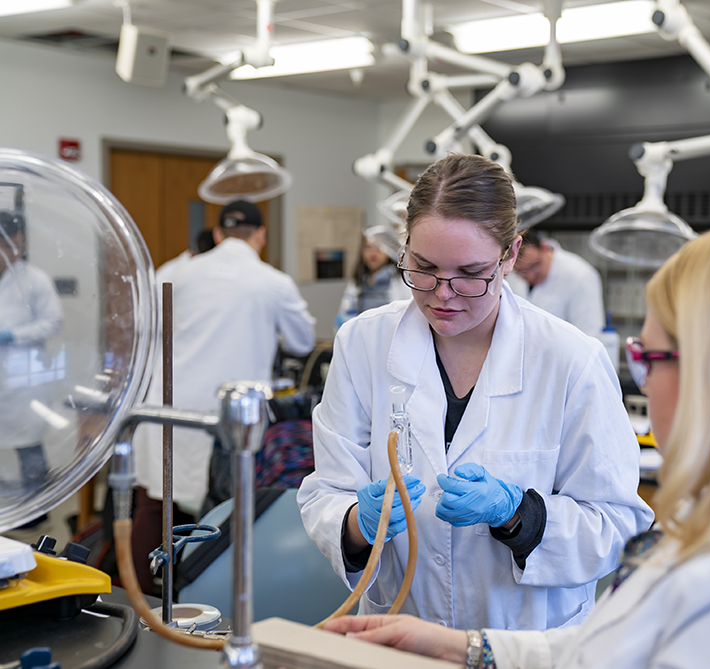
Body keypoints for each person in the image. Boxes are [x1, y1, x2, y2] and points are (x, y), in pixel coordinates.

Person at [323, 218, 710, 668]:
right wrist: (464, 648)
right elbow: (605, 652)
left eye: (649, 356)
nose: (641, 379)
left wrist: (521, 516)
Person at [298, 153, 652, 631]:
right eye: (423, 267)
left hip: (527, 643)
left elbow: (616, 524)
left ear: (510, 256)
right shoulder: (362, 344)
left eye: (470, 273)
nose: (443, 293)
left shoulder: (571, 359)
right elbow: (326, 492)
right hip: (399, 634)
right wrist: (357, 523)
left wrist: (519, 516)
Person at [132, 199, 316, 594]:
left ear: (217, 235)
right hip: (224, 416)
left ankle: (142, 600)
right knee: (220, 512)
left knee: (154, 503)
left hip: (166, 405)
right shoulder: (272, 282)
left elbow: (144, 333)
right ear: (261, 236)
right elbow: (302, 342)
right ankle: (199, 598)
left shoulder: (176, 273)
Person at [0, 210, 63, 497]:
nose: (14, 253)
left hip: (23, 377)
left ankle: (35, 509)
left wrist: (14, 335)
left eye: (18, 246)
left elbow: (53, 322)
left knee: (28, 443)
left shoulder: (36, 279)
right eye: (8, 245)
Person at [510, 228, 604, 337]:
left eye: (535, 266)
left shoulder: (580, 275)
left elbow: (590, 334)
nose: (530, 276)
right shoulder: (512, 274)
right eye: (522, 272)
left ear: (545, 248)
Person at [335, 225, 409, 328]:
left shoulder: (400, 281)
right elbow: (345, 314)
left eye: (379, 248)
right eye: (368, 247)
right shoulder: (357, 282)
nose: (373, 253)